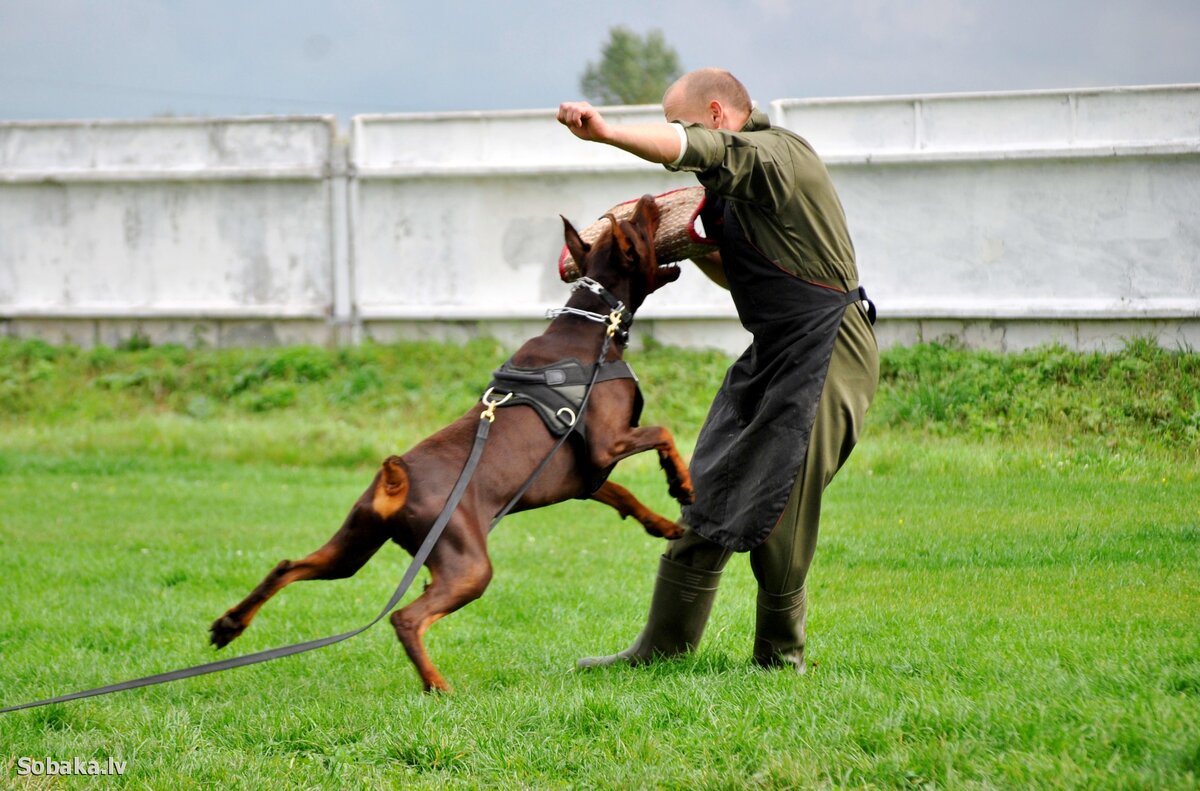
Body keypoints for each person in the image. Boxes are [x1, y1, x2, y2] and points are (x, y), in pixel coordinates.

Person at [556, 68, 878, 672]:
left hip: (831, 349)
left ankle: (781, 660)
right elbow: (742, 274)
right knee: (710, 483)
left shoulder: (774, 156)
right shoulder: (733, 187)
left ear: (717, 112)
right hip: (775, 348)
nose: (680, 139)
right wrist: (699, 248)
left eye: (681, 123)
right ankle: (661, 650)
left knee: (781, 499)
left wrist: (605, 133)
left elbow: (696, 148)